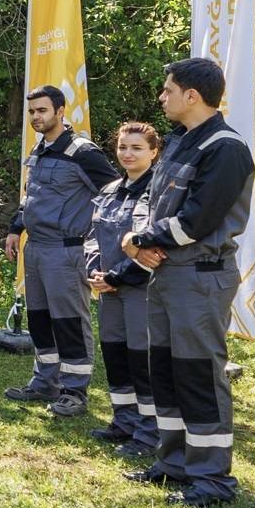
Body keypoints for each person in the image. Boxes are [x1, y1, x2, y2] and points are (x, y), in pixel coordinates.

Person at [122, 58, 255, 508]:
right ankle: (175, 462)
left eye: (167, 90)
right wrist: (138, 245)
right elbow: (154, 202)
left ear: (192, 96)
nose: (162, 97)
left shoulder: (226, 148)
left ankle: (212, 478)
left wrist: (141, 240)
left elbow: (198, 220)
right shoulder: (181, 141)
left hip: (199, 277)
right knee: (165, 370)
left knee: (198, 373)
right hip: (166, 273)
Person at [2, 86, 118, 414]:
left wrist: (102, 242)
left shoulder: (82, 152)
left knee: (68, 321)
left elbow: (113, 195)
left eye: (42, 110)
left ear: (60, 111)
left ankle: (74, 391)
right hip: (35, 250)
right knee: (39, 320)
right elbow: (32, 197)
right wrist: (15, 228)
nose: (36, 117)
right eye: (32, 112)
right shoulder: (40, 151)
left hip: (66, 252)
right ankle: (44, 382)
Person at [85, 121, 161, 456]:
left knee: (140, 359)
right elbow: (92, 237)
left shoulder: (158, 192)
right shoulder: (108, 191)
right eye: (122, 147)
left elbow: (155, 248)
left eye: (137, 148)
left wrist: (115, 277)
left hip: (140, 288)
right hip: (107, 290)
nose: (127, 154)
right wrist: (93, 271)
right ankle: (124, 421)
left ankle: (149, 432)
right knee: (115, 355)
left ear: (154, 152)